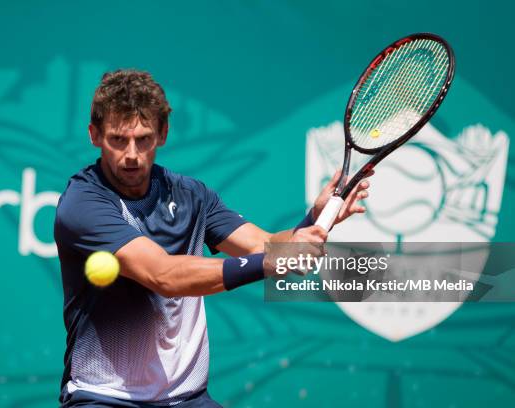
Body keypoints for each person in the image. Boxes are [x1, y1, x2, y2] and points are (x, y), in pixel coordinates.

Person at [54, 69, 369, 407]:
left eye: (143, 139)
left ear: (162, 134)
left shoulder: (191, 196)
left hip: (186, 399)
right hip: (105, 397)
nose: (131, 154)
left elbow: (265, 246)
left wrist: (317, 218)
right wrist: (268, 261)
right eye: (118, 139)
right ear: (94, 135)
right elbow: (163, 275)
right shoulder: (83, 203)